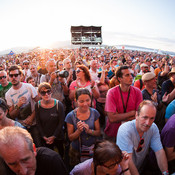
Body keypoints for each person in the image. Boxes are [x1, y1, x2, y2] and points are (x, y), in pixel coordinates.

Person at [117, 100, 169, 175]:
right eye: (145, 117)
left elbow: (159, 152)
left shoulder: (153, 128)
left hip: (139, 169)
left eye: (152, 118)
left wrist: (165, 173)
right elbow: (128, 161)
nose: (148, 123)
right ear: (136, 115)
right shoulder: (125, 130)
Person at [0, 126, 68, 175]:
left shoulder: (51, 160)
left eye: (26, 160)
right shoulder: (4, 165)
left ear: (34, 149)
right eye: (13, 164)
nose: (23, 172)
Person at [5, 65, 40, 147]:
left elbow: (39, 103)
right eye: (11, 75)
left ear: (20, 76)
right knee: (26, 148)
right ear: (9, 77)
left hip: (34, 123)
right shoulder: (8, 94)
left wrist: (32, 117)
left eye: (16, 75)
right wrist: (18, 105)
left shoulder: (28, 87)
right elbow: (12, 115)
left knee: (38, 145)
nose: (13, 77)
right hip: (21, 126)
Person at [104, 66, 143, 141]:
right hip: (114, 133)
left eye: (131, 74)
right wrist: (132, 113)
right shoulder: (112, 92)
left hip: (131, 132)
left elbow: (139, 115)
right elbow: (112, 118)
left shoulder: (137, 92)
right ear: (119, 78)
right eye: (127, 75)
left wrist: (118, 116)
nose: (131, 77)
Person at [65, 88, 101, 167]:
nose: (85, 104)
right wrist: (78, 131)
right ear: (76, 100)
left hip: (92, 148)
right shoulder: (71, 116)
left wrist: (89, 131)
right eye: (81, 101)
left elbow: (98, 132)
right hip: (77, 151)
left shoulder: (94, 113)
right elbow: (70, 137)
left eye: (87, 100)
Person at [35, 82, 65, 158]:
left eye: (48, 91)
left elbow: (61, 122)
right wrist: (44, 136)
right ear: (39, 94)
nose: (46, 94)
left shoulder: (59, 105)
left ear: (51, 92)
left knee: (60, 155)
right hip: (45, 138)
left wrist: (54, 136)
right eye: (43, 92)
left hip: (58, 136)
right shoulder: (37, 105)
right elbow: (38, 122)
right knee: (49, 157)